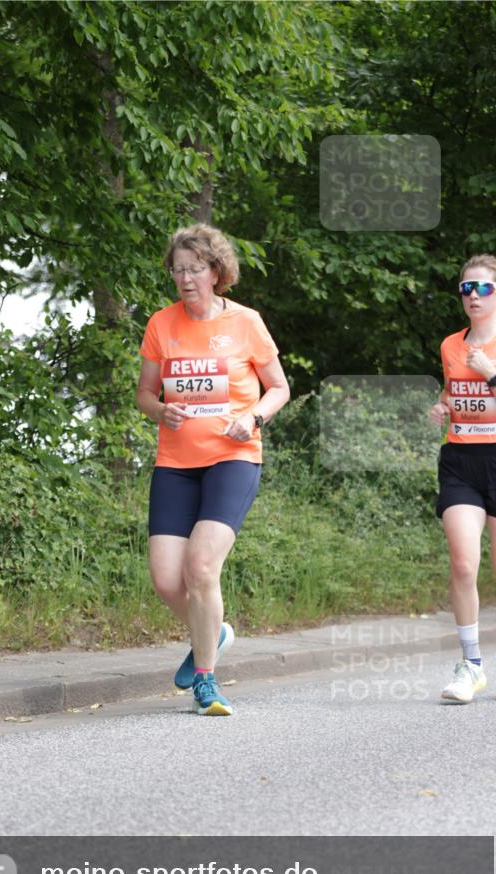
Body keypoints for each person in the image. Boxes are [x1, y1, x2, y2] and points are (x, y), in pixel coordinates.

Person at [136, 224, 290, 716]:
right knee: (166, 579)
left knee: (201, 568)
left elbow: (279, 388)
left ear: (216, 272)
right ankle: (215, 632)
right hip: (176, 463)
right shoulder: (162, 324)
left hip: (233, 457)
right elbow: (144, 394)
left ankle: (206, 681)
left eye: (195, 269)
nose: (185, 278)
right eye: (179, 270)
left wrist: (254, 417)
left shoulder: (246, 322)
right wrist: (162, 411)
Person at [429, 254, 496, 703]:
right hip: (461, 461)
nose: (472, 297)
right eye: (466, 289)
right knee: (463, 563)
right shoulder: (450, 345)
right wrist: (443, 406)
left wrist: (491, 374)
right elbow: (452, 390)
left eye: (481, 288)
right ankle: (471, 665)